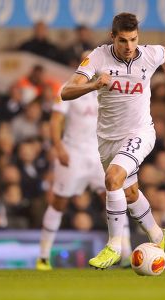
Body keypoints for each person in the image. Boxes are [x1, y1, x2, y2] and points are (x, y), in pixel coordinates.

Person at [60, 13, 165, 269]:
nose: (129, 47)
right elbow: (65, 91)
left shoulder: (149, 54)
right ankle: (159, 236)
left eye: (134, 40)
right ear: (112, 37)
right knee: (129, 193)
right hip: (107, 139)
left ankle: (114, 246)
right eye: (123, 41)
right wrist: (94, 85)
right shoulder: (97, 57)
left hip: (140, 132)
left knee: (112, 179)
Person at [36, 62, 132, 270]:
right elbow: (55, 121)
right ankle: (43, 256)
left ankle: (125, 252)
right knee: (59, 202)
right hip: (73, 154)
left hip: (99, 154)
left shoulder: (109, 89)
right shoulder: (67, 88)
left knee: (114, 197)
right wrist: (59, 147)